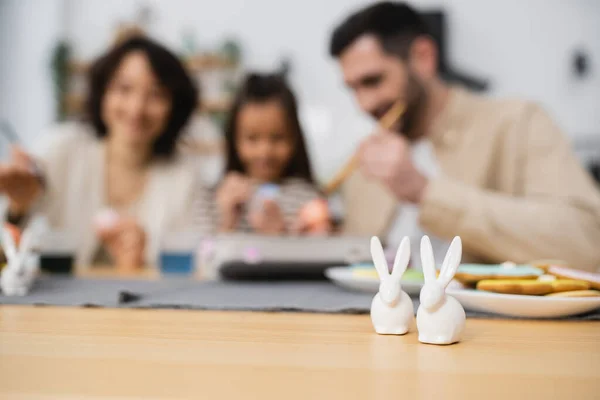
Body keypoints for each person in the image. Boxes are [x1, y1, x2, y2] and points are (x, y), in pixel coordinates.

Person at [329, 2, 600, 271]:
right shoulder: (363, 165)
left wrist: (424, 191)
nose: (363, 104)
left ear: (423, 57)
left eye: (373, 81)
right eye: (352, 89)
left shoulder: (518, 122)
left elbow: (587, 244)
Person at [0, 36, 210, 270]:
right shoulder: (60, 150)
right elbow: (10, 252)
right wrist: (19, 207)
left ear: (175, 106)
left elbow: (202, 264)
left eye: (156, 94)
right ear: (102, 93)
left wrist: (142, 263)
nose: (136, 108)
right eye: (124, 89)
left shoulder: (186, 177)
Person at [214, 73, 330, 235]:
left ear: (295, 139)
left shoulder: (308, 200)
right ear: (233, 140)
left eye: (277, 138)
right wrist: (227, 222)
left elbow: (319, 254)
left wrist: (279, 237)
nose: (265, 152)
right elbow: (200, 256)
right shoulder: (214, 198)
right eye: (252, 139)